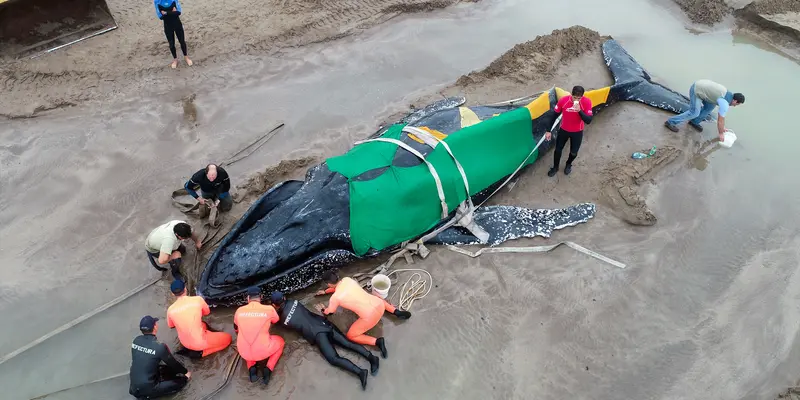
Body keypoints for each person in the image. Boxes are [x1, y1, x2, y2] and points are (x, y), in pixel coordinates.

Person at [272, 291, 378, 390]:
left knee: (333, 359)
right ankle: (372, 358)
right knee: (347, 343)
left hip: (317, 334)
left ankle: (360, 372)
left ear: (274, 305)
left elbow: (279, 322)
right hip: (324, 323)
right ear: (284, 297)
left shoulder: (282, 320)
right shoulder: (294, 301)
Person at [315, 270, 411, 358]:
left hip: (370, 318)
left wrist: (323, 309)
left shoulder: (335, 298)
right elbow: (339, 287)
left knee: (351, 335)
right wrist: (325, 291)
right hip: (381, 306)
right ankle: (396, 312)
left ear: (328, 283)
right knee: (375, 299)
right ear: (337, 276)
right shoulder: (347, 280)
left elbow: (330, 312)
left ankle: (377, 342)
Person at [129, 315, 192, 399]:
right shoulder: (159, 347)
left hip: (133, 388)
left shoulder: (136, 340)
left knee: (162, 368)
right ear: (155, 327)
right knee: (182, 380)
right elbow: (173, 363)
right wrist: (186, 373)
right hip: (148, 389)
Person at [166, 279, 232, 359]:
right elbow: (206, 312)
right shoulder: (198, 299)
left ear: (173, 294)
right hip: (200, 342)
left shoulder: (170, 310)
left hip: (184, 342)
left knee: (203, 325)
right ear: (185, 289)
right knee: (228, 339)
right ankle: (201, 353)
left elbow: (171, 325)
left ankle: (194, 347)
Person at [233, 287, 285, 385]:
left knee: (247, 342)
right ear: (261, 297)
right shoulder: (269, 309)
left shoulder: (239, 311)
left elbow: (236, 329)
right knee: (281, 341)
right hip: (263, 351)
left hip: (243, 352)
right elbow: (276, 321)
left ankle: (252, 370)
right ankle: (268, 369)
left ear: (248, 298)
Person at [664, 79, 745, 141]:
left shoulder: (729, 95)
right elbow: (720, 120)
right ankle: (670, 122)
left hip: (704, 90)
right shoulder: (724, 103)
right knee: (694, 112)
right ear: (735, 101)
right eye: (736, 104)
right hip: (697, 90)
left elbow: (721, 119)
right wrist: (721, 133)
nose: (734, 106)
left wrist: (723, 128)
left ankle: (694, 122)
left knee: (709, 108)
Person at [546, 85, 593, 177]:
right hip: (564, 130)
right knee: (558, 150)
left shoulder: (586, 102)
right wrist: (548, 131)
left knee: (574, 152)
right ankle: (555, 167)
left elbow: (588, 120)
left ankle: (568, 164)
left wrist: (579, 110)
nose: (576, 100)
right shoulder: (564, 100)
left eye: (579, 98)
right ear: (571, 94)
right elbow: (553, 116)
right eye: (575, 97)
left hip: (577, 132)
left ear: (582, 96)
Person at [154, 0, 192, 69]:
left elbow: (178, 12)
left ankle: (186, 57)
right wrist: (172, 12)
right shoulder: (157, 1)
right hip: (168, 26)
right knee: (171, 44)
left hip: (177, 24)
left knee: (182, 41)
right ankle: (175, 60)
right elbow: (161, 17)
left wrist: (165, 13)